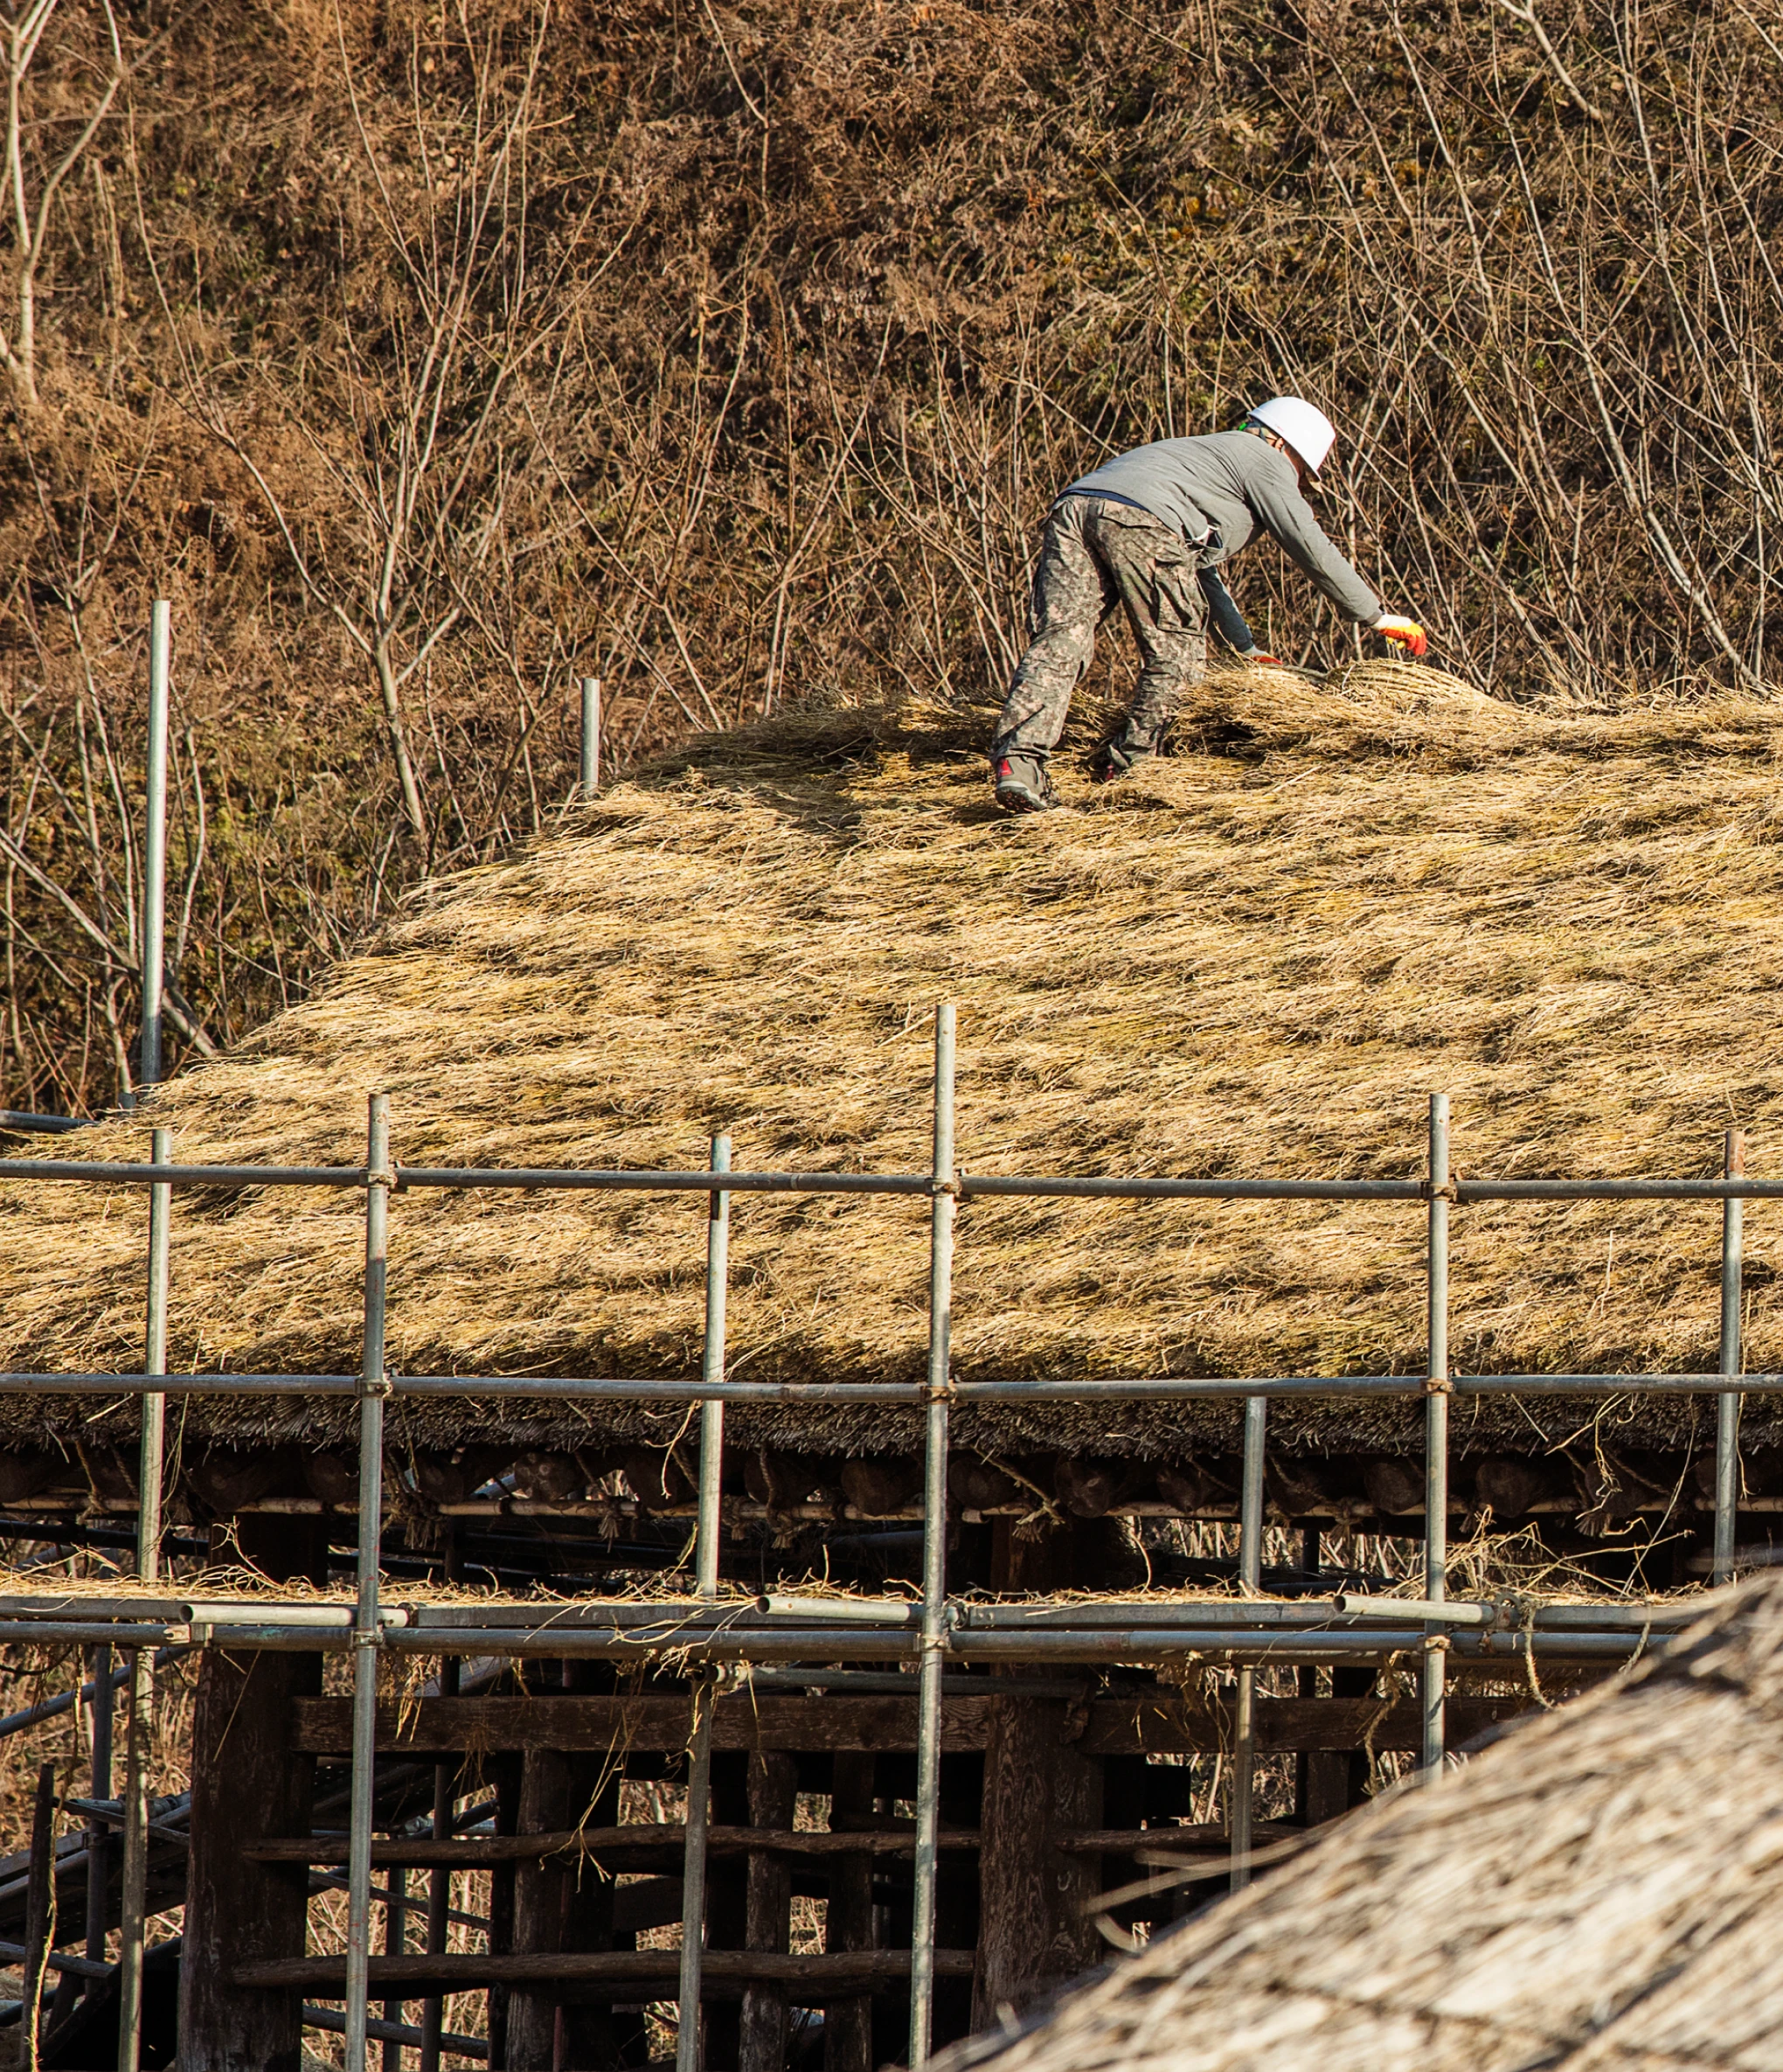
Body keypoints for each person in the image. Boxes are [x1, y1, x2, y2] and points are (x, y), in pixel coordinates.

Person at [988, 397, 1428, 813]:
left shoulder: (1199, 458)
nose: (1295, 483)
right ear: (1279, 442)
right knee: (1176, 654)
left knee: (1061, 641)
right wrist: (1374, 615)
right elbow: (1309, 545)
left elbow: (1194, 568)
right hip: (1142, 521)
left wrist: (1243, 647)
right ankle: (1133, 768)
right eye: (1299, 471)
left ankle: (1019, 764)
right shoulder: (1263, 458)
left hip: (1075, 507)